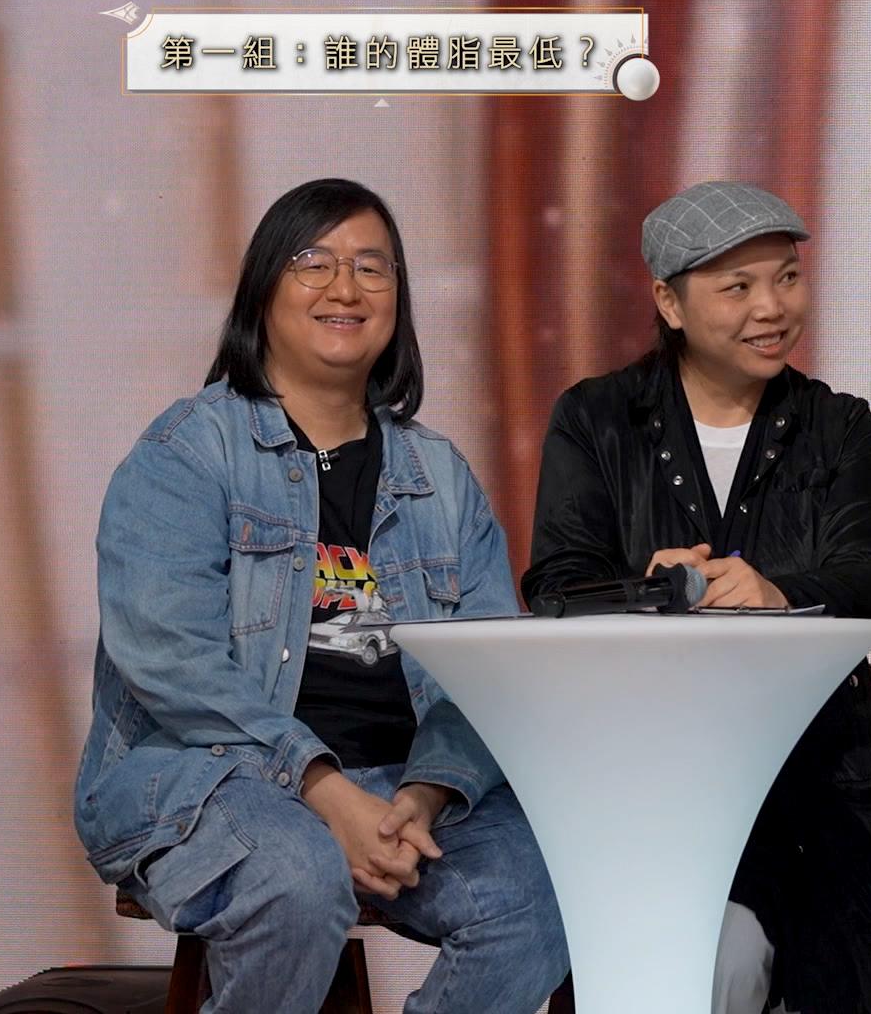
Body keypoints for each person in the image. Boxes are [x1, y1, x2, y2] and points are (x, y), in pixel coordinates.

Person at [72, 179, 570, 1013]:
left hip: (399, 784)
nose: (346, 287)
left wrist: (424, 794)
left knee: (544, 889)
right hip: (206, 776)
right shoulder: (187, 452)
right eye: (314, 262)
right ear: (263, 290)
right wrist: (323, 789)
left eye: (372, 267)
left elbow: (487, 671)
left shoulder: (440, 477)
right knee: (299, 878)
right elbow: (169, 659)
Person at [521, 180, 871, 1013]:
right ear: (669, 303)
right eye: (737, 287)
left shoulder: (841, 426)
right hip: (658, 768)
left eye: (787, 278)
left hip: (824, 763)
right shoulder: (596, 419)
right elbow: (556, 585)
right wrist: (652, 594)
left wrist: (778, 592)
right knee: (690, 973)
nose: (771, 308)